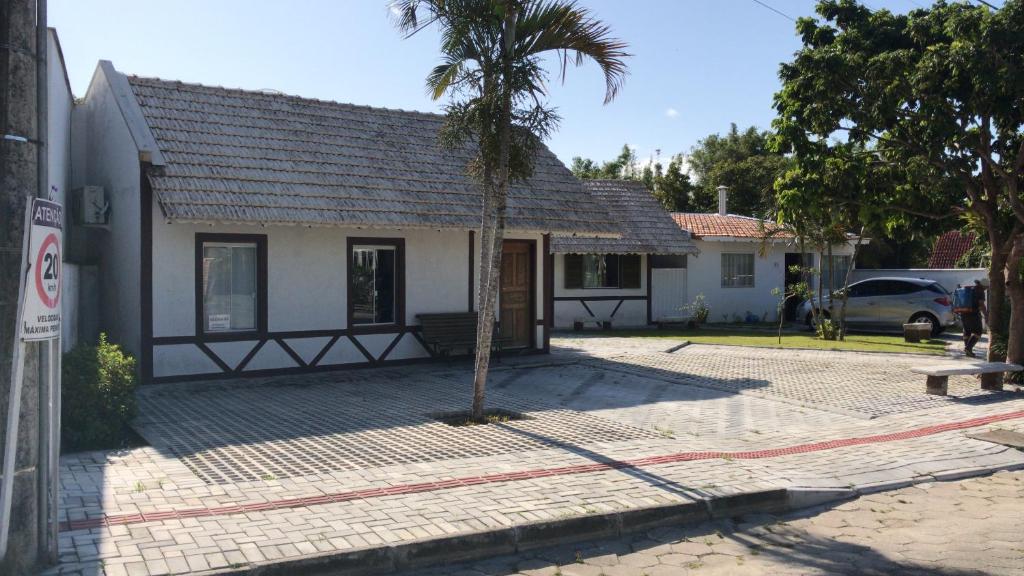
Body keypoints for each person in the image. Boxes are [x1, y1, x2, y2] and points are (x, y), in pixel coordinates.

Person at [961, 278, 988, 357]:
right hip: (973, 314)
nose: (987, 289)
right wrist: (986, 315)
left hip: (963, 312)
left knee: (967, 330)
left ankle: (968, 350)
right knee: (978, 332)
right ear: (984, 286)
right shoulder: (980, 291)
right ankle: (968, 348)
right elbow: (982, 305)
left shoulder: (971, 289)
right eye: (987, 287)